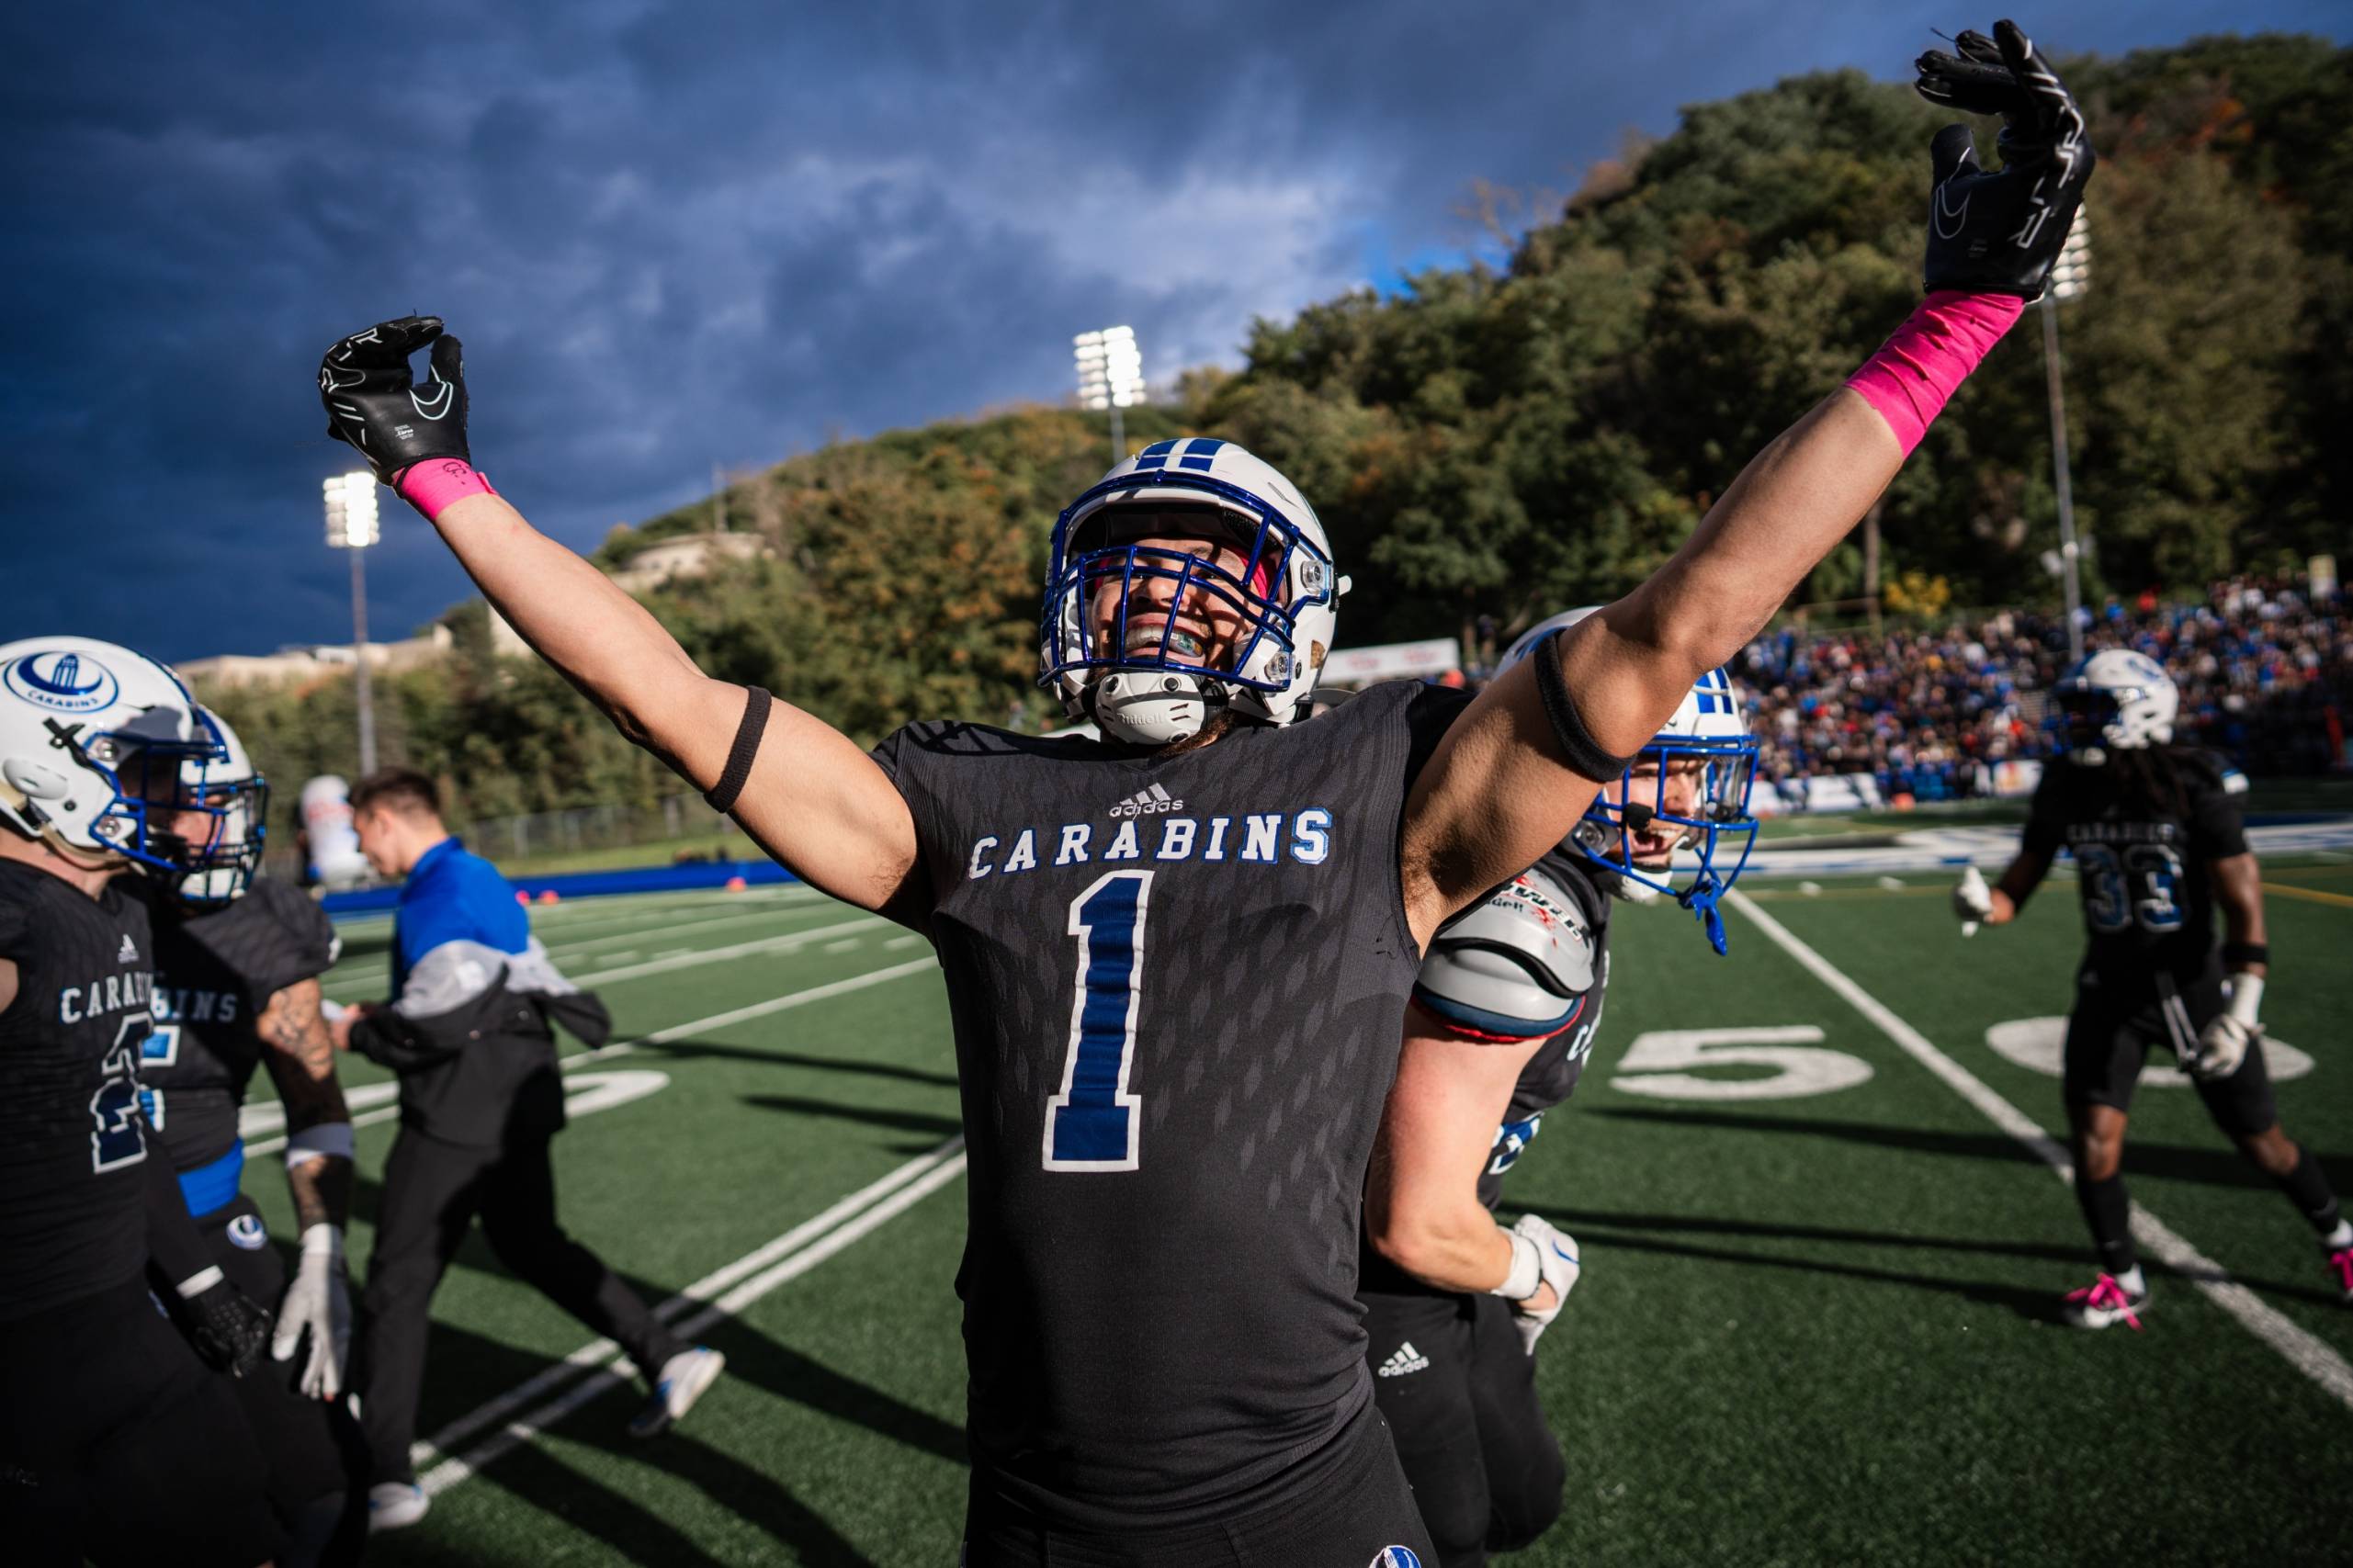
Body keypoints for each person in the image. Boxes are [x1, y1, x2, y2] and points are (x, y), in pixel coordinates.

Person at [314, 22, 2092, 1559]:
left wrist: (1954, 324)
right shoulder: (966, 794)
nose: (1161, 598)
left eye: (1209, 571)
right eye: (1131, 566)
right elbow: (679, 701)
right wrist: (455, 486)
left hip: (1301, 1484)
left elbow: (1676, 623)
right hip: (1032, 1497)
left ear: (1305, 617)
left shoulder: (1385, 774)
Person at [1361, 613, 1759, 1567]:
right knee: (1441, 1536)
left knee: (1521, 1501)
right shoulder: (1521, 915)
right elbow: (1408, 1224)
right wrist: (1525, 1269)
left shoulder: (1558, 887)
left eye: (1697, 772)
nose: (1684, 802)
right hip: (1361, 1276)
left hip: (1443, 1236)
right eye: (1661, 765)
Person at [330, 767, 723, 1531]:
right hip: (520, 1090)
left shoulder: (435, 889)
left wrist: (358, 1031)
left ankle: (385, 1473)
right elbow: (478, 985)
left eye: (359, 829)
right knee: (531, 1241)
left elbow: (439, 1021)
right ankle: (665, 1350)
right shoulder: (475, 870)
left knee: (397, 1284)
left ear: (383, 820)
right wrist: (396, 1011)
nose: (358, 848)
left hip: (461, 1109)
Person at [1954, 649, 2351, 1325]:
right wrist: (1982, 907)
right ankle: (2122, 1275)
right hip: (2109, 983)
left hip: (2192, 989)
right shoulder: (2064, 784)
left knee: (2262, 1141)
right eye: (2073, 708)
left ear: (2140, 708)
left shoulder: (2191, 780)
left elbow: (2242, 901)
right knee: (2091, 1140)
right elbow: (2017, 883)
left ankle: (2339, 1239)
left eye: (2091, 709)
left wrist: (2241, 1011)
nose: (2075, 722)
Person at [0, 637, 280, 1567]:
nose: (178, 803)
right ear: (44, 766)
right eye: (150, 772)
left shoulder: (116, 910)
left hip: (121, 1316)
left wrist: (197, 1285)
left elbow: (119, 1108)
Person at [140, 709, 368, 1564]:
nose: (201, 829)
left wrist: (322, 1248)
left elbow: (316, 1104)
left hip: (207, 1217)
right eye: (173, 805)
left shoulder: (264, 919)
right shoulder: (71, 914)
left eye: (216, 803)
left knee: (321, 1477)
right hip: (76, 1241)